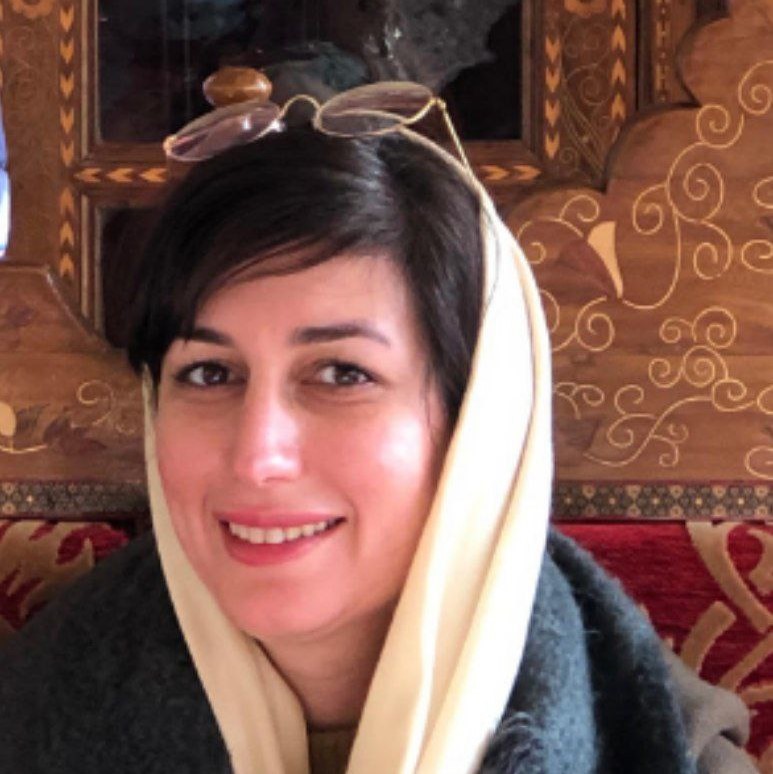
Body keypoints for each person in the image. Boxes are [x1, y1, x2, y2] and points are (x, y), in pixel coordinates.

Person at [0, 86, 754, 774]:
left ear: (474, 425)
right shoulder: (33, 716)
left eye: (340, 374)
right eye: (208, 373)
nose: (258, 455)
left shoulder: (663, 750)